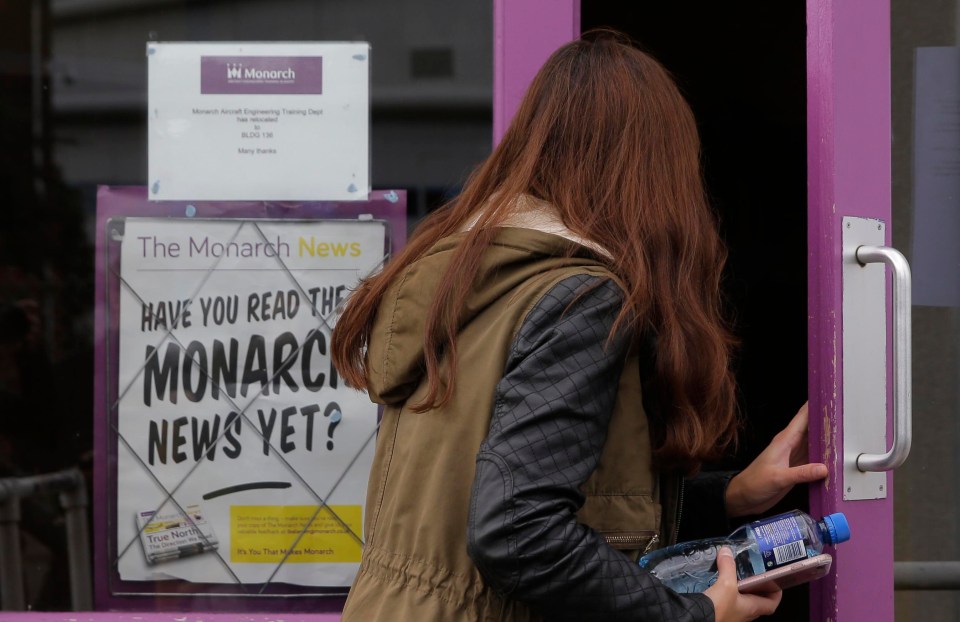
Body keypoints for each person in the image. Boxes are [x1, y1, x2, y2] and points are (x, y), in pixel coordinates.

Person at [331, 31, 828, 622]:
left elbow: (517, 494)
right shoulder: (579, 298)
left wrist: (728, 496)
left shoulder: (467, 280)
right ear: (654, 171)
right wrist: (693, 613)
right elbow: (519, 532)